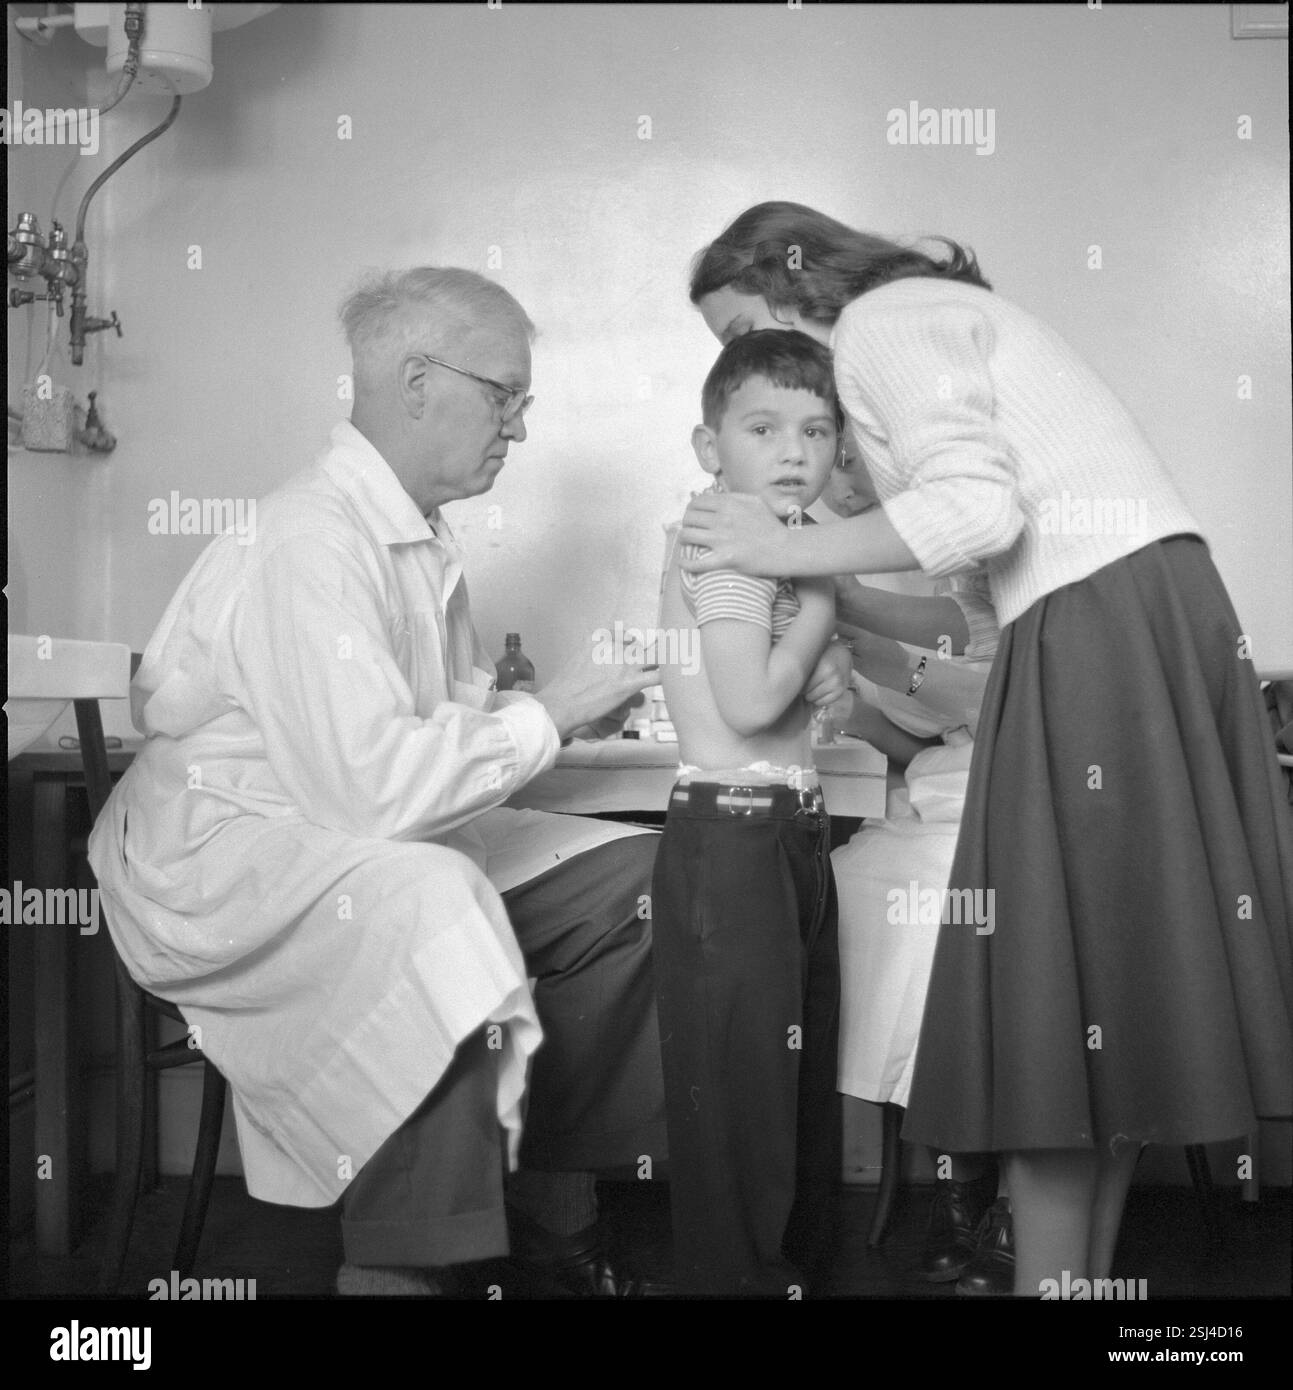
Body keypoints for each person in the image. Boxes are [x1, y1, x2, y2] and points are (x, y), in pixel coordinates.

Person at [678, 201, 1293, 1296]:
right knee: (1107, 997)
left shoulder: (883, 326)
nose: (751, 362)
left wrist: (778, 545)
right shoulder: (936, 313)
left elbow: (977, 513)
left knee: (1057, 1014)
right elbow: (974, 587)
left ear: (788, 282)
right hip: (1142, 613)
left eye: (738, 329)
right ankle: (1086, 1293)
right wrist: (844, 586)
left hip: (1099, 623)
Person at [88, 266, 667, 1298]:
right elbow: (370, 791)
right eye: (506, 396)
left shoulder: (413, 536)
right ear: (415, 381)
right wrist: (546, 716)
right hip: (227, 865)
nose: (520, 429)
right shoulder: (312, 539)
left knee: (645, 878)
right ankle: (403, 1264)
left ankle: (537, 1199)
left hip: (342, 831)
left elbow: (404, 736)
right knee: (428, 907)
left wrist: (519, 715)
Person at [652, 328, 852, 1296]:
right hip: (734, 833)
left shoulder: (772, 544)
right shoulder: (732, 537)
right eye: (763, 425)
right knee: (744, 1104)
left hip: (782, 826)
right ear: (710, 446)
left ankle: (789, 1273)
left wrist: (823, 660)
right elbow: (748, 703)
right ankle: (743, 1281)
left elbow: (792, 697)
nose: (793, 451)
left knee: (793, 1089)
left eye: (817, 430)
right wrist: (822, 598)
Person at [825, 433, 1013, 1294]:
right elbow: (930, 734)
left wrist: (850, 610)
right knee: (852, 882)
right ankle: (956, 1179)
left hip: (1014, 794)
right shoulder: (892, 561)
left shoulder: (988, 527)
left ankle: (996, 1189)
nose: (839, 479)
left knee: (950, 908)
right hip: (942, 789)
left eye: (849, 456)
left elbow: (982, 655)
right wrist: (852, 716)